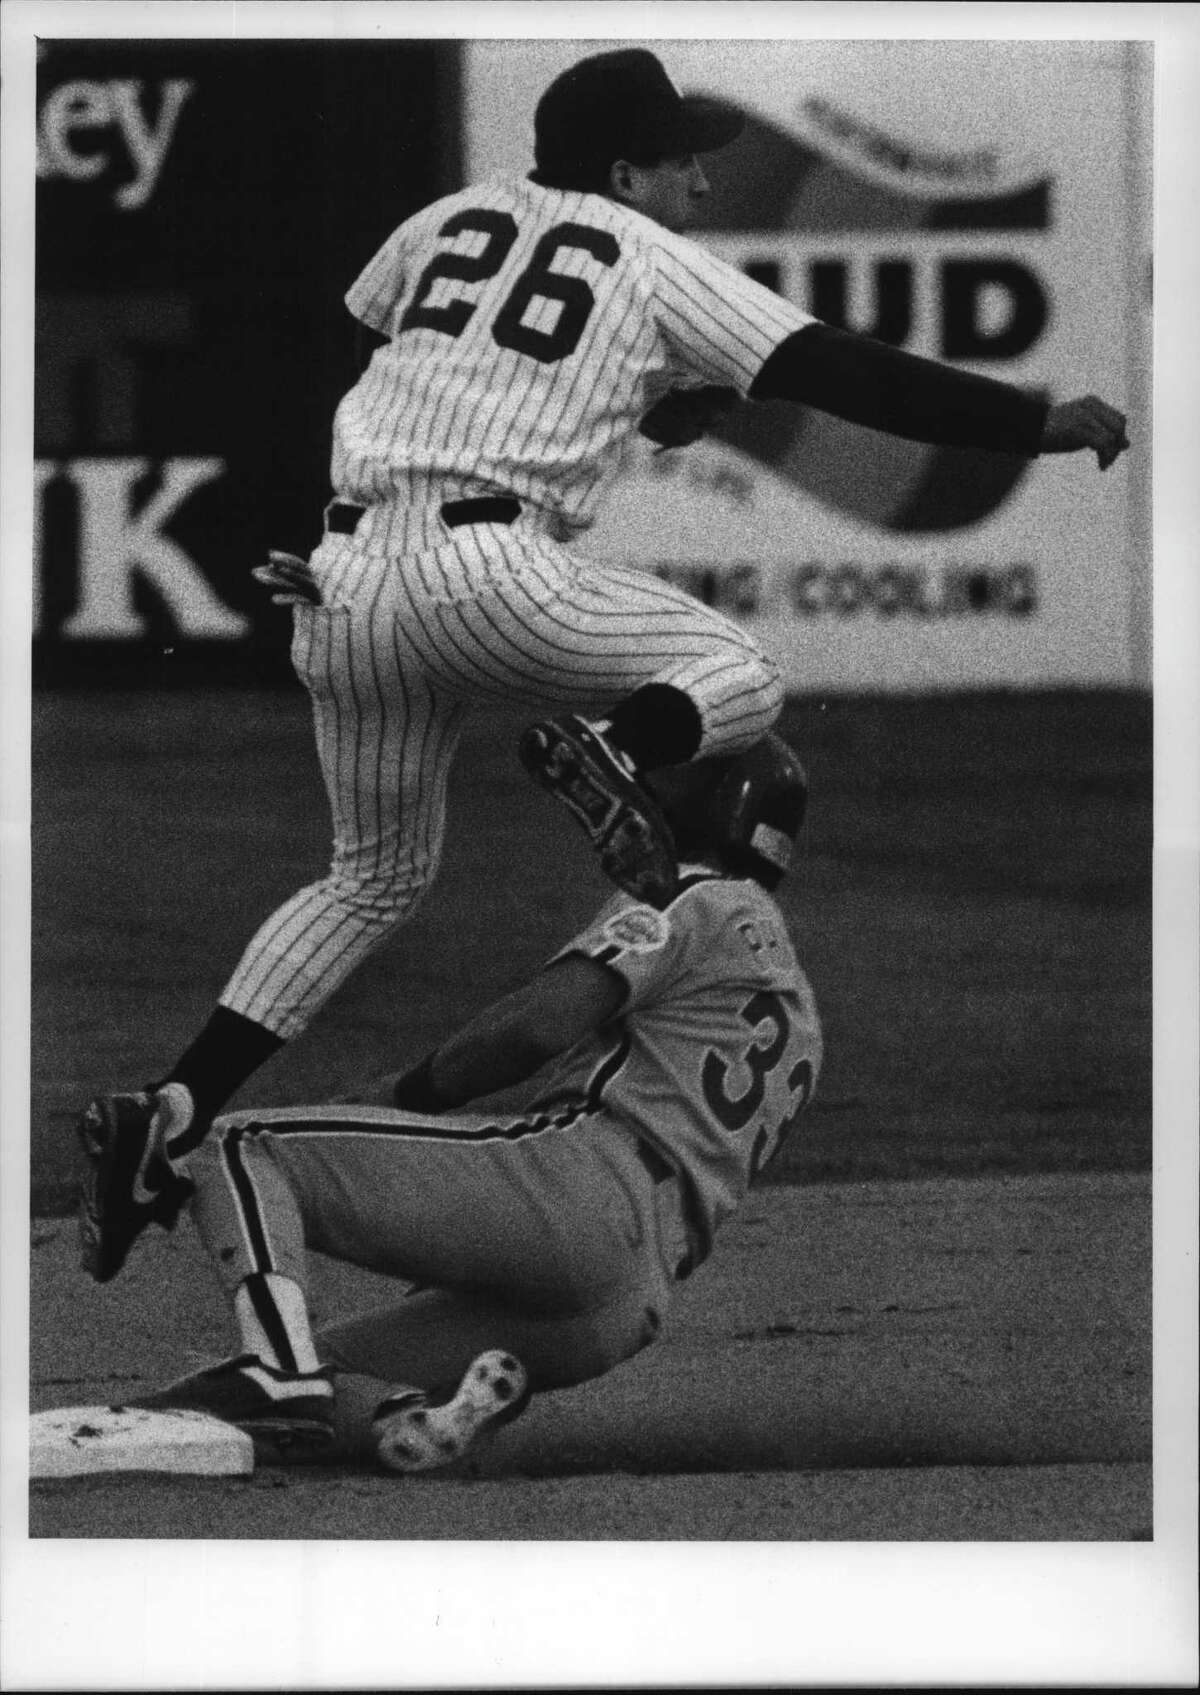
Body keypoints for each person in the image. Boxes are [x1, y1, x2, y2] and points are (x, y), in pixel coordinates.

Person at [77, 47, 1129, 1286]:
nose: (698, 175)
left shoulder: (444, 219)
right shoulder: (652, 256)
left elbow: (405, 348)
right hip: (489, 573)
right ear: (623, 168)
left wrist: (346, 513)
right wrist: (1030, 422)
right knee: (739, 670)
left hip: (346, 576)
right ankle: (617, 748)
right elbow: (838, 369)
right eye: (679, 158)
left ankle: (175, 1108)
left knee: (368, 878)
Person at [115, 736, 823, 1472]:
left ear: (713, 801)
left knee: (233, 1144)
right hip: (625, 1305)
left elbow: (537, 1024)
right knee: (318, 1375)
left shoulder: (697, 895)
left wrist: (402, 1096)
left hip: (584, 1196)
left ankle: (276, 1375)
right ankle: (415, 1416)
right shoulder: (799, 1017)